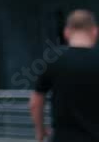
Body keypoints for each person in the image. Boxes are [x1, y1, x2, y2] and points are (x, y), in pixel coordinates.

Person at [30, 9, 99, 142]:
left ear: (66, 32)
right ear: (95, 31)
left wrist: (40, 131)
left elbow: (35, 103)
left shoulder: (53, 59)